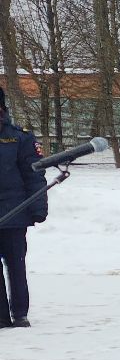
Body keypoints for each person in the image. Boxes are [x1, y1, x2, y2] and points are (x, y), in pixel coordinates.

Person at [0, 89, 48, 328]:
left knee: (16, 264)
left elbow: (34, 175)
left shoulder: (20, 138)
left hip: (14, 213)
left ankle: (20, 313)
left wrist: (38, 207)